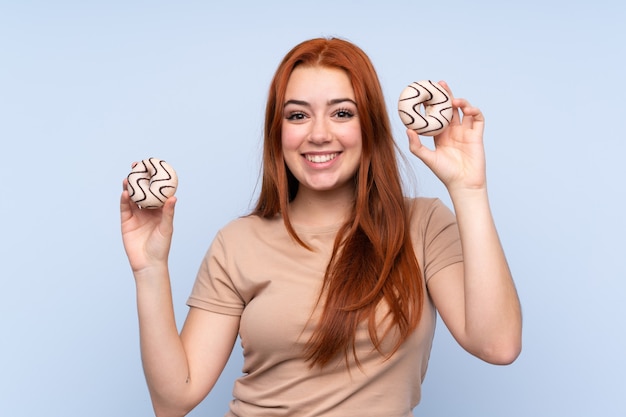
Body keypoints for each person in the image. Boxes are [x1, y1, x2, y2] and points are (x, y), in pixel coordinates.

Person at [120, 37, 522, 417]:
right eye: (297, 115)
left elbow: (498, 344)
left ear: (370, 126)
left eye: (342, 113)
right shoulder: (237, 242)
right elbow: (174, 401)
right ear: (278, 133)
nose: (318, 134)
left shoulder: (423, 225)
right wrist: (149, 269)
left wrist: (468, 189)